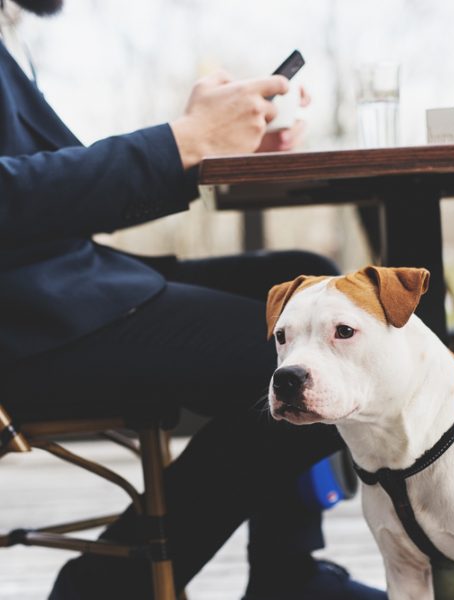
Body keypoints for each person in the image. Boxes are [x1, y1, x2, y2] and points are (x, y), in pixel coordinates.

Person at [0, 1, 388, 599]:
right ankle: (107, 587)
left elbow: (40, 189)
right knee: (321, 357)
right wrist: (179, 142)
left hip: (52, 285)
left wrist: (207, 148)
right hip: (26, 321)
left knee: (311, 289)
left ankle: (288, 572)